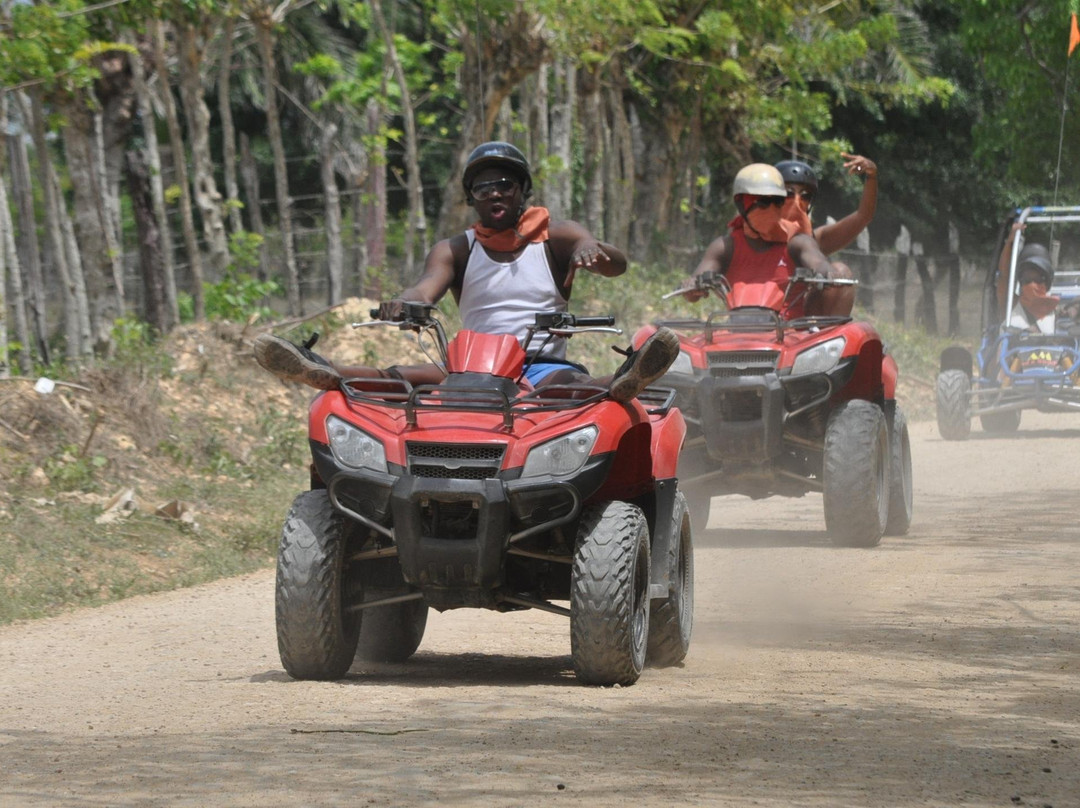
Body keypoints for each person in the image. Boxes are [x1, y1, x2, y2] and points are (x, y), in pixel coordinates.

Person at [253, 141, 678, 402]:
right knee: (399, 379)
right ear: (472, 198)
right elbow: (424, 291)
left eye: (504, 184)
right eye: (482, 187)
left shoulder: (556, 235)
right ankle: (316, 367)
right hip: (475, 366)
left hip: (540, 362)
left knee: (568, 391)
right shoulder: (455, 249)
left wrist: (591, 248)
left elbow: (615, 264)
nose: (494, 193)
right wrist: (405, 305)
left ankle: (626, 378)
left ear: (522, 190)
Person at [680, 163, 855, 317]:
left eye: (778, 202)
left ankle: (837, 354)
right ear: (742, 204)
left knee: (841, 272)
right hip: (738, 333)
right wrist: (693, 286)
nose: (772, 209)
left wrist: (827, 273)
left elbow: (817, 261)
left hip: (793, 337)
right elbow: (697, 282)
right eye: (764, 202)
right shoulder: (724, 246)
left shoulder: (797, 240)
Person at [776, 153, 877, 255]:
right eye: (789, 193)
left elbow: (864, 216)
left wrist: (871, 176)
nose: (797, 200)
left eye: (805, 195)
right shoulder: (760, 239)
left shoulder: (814, 242)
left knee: (840, 268)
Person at [995, 222, 1059, 334]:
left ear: (1047, 283)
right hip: (1012, 351)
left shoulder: (1055, 313)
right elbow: (1004, 277)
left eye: (1038, 280)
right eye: (1027, 280)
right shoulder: (1011, 304)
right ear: (1021, 281)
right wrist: (1010, 242)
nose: (1032, 285)